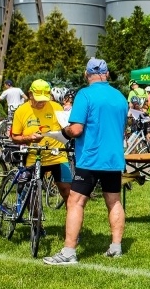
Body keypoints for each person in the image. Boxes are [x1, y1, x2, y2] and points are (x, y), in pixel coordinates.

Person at [44, 58, 128, 265]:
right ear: (107, 74)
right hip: (113, 158)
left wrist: (63, 131)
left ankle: (69, 252)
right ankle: (116, 247)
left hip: (90, 158)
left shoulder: (84, 94)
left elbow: (76, 129)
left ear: (86, 74)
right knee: (114, 201)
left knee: (75, 201)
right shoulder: (120, 97)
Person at [10, 79, 72, 207]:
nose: (42, 102)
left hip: (57, 155)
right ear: (30, 94)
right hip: (34, 156)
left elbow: (65, 128)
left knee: (68, 192)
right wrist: (29, 138)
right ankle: (36, 224)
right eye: (38, 99)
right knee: (31, 193)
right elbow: (15, 137)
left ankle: (71, 226)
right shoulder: (21, 111)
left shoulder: (56, 107)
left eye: (44, 99)